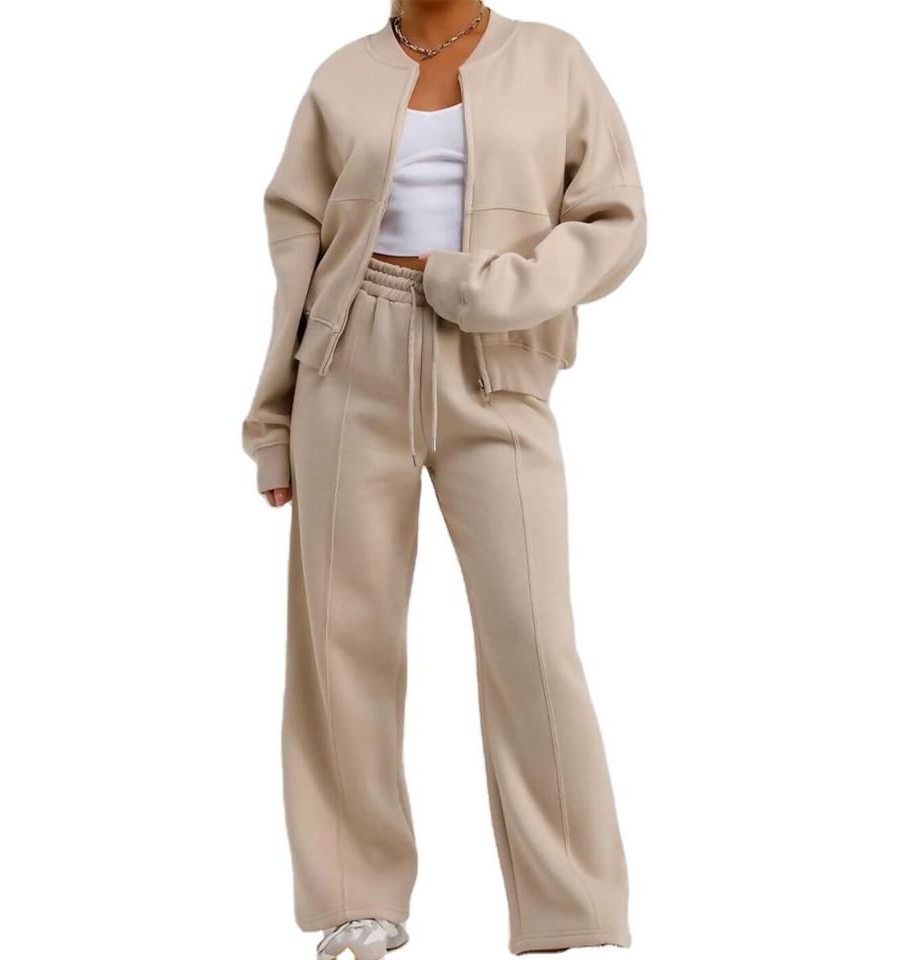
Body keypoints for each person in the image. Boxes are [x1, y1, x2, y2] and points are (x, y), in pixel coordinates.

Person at [241, 3, 646, 957]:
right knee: (343, 641)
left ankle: (572, 909)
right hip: (351, 359)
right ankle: (357, 895)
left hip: (495, 362)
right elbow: (297, 258)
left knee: (532, 639)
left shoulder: (553, 60)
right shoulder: (341, 76)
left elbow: (615, 220)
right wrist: (275, 421)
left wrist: (495, 289)